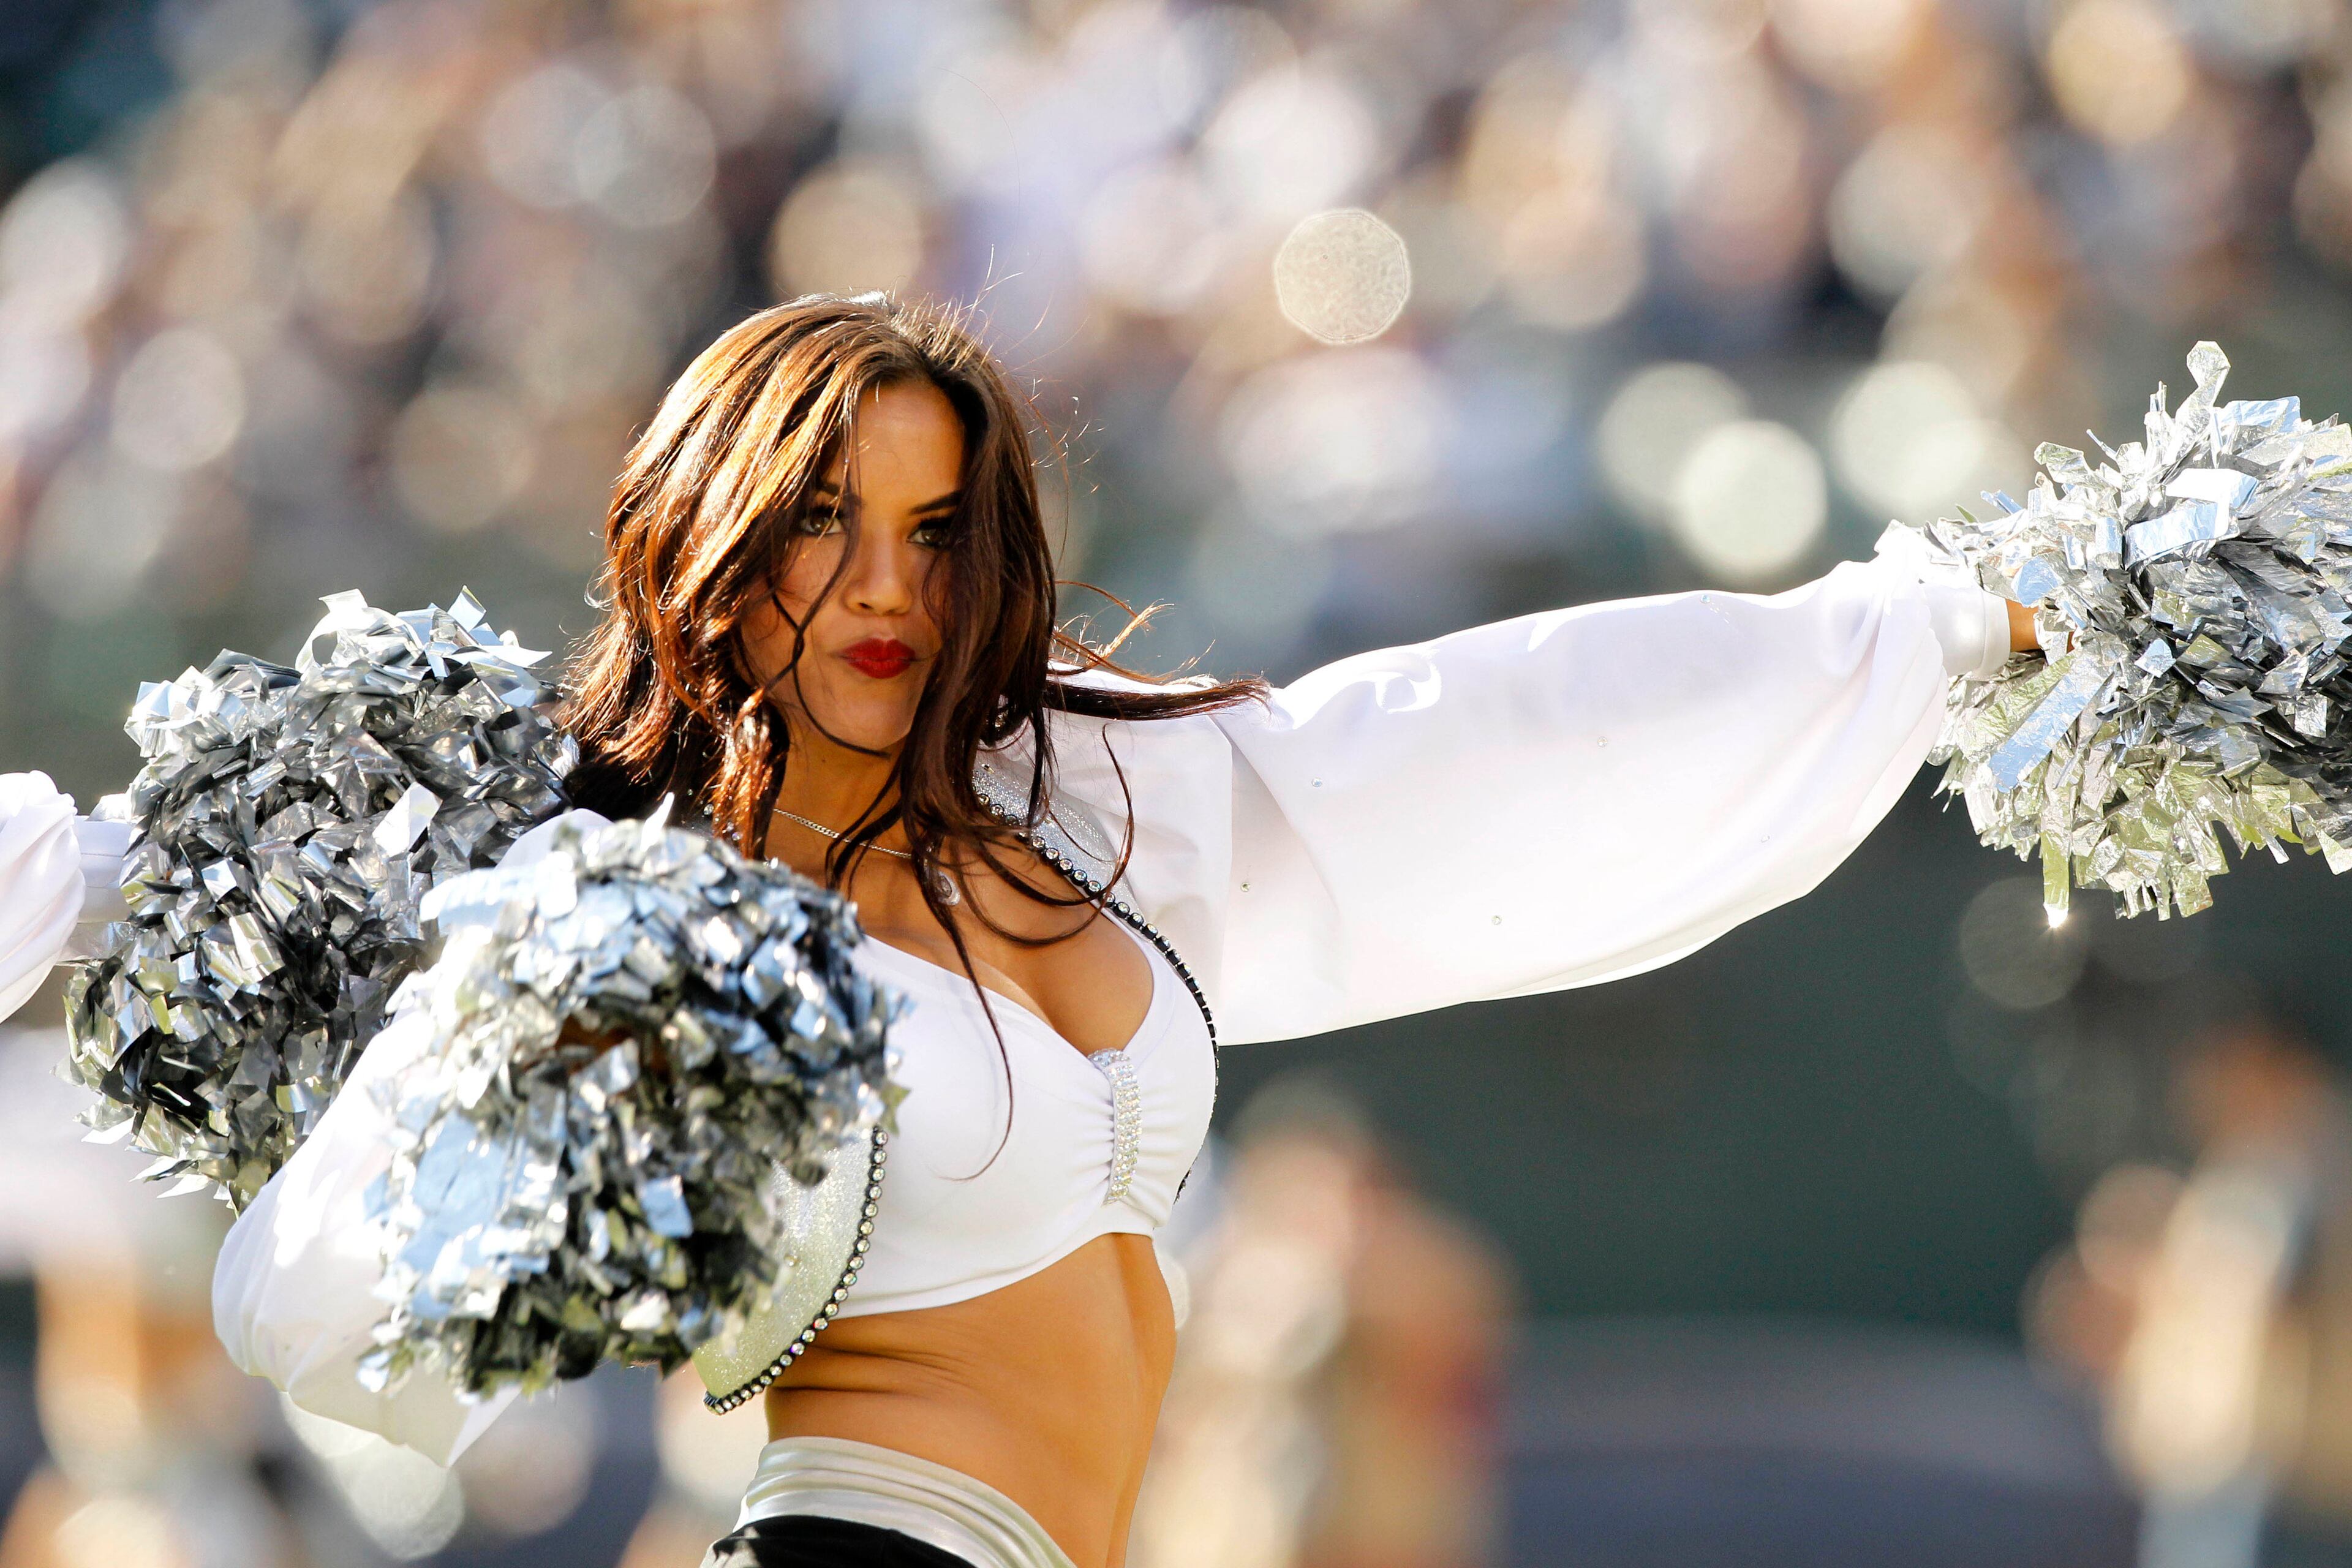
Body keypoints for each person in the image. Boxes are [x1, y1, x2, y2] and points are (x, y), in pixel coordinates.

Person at [0, 293, 2037, 1568]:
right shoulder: (624, 906)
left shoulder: (1069, 812)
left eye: (936, 524)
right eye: (822, 520)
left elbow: (1469, 741)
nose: (885, 581)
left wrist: (1951, 638)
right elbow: (295, 1245)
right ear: (714, 549)